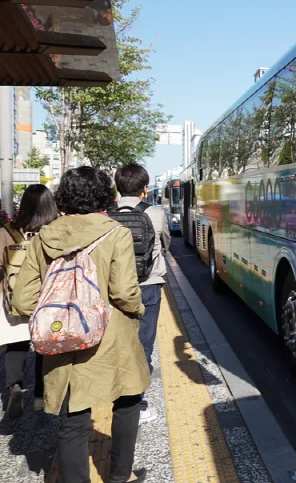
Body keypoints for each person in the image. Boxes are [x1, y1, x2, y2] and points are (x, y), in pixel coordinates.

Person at [12, 167, 149, 483]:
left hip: (63, 342)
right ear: (105, 196)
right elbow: (125, 293)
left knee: (73, 419)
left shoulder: (44, 236)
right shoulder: (116, 233)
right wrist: (139, 309)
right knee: (127, 401)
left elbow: (22, 300)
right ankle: (119, 476)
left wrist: (58, 317)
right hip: (112, 338)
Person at [114, 164, 170, 425]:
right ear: (144, 189)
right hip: (149, 285)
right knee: (144, 344)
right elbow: (166, 244)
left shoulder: (107, 216)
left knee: (120, 342)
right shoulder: (156, 214)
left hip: (117, 288)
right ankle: (138, 404)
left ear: (117, 187)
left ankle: (118, 396)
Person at [0, 184, 58, 418]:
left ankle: (14, 386)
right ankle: (39, 397)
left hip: (14, 298)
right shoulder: (53, 231)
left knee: (16, 344)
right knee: (44, 346)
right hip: (46, 297)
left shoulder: (7, 231)